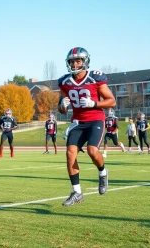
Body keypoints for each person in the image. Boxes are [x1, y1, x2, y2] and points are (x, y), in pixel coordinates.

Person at [58, 47, 115, 206]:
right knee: (70, 154)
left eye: (78, 61)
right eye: (72, 61)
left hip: (95, 119)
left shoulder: (94, 78)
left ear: (84, 61)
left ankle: (103, 172)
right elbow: (62, 109)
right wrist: (62, 104)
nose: (75, 64)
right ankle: (77, 192)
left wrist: (94, 103)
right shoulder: (65, 82)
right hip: (78, 122)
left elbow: (111, 101)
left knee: (92, 150)